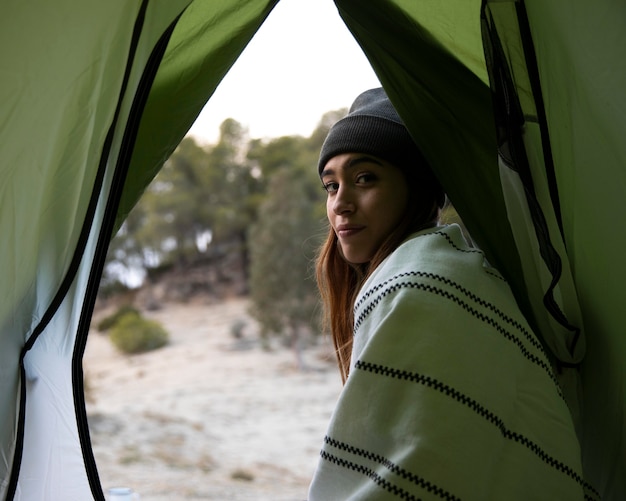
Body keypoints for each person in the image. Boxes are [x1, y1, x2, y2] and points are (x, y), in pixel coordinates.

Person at [308, 88, 595, 500]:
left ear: (416, 186)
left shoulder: (419, 285)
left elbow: (412, 477)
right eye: (331, 186)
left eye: (364, 178)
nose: (340, 204)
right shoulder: (450, 266)